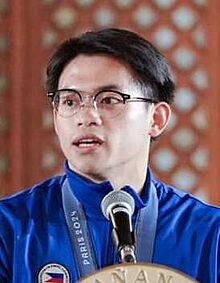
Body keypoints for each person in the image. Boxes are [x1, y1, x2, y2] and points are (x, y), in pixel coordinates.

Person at [0, 28, 219, 283]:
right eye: (70, 101)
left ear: (156, 119)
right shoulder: (10, 229)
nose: (86, 117)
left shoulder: (209, 235)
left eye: (109, 99)